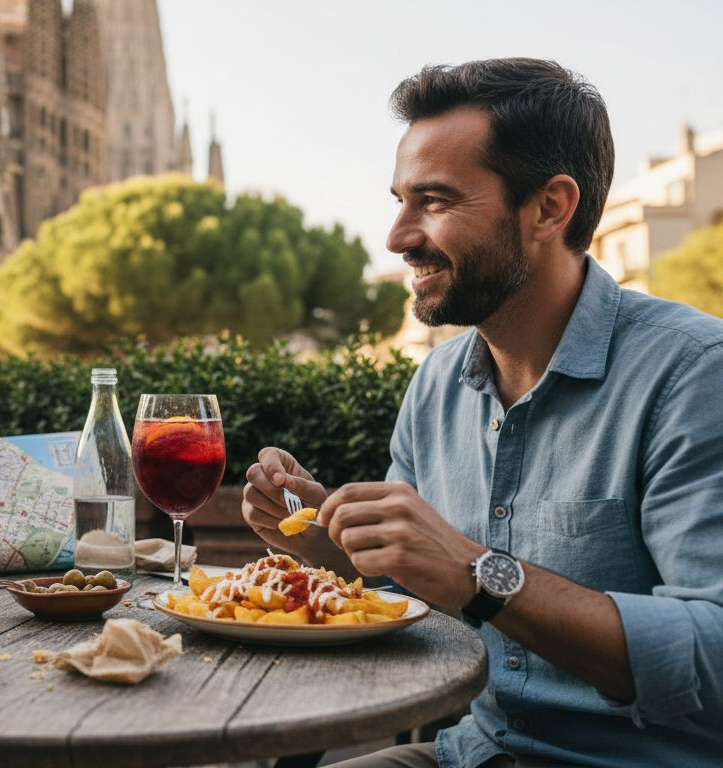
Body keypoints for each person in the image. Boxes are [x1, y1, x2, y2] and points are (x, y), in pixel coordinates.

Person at [242, 59, 723, 767]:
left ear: (550, 208)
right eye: (401, 200)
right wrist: (327, 541)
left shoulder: (692, 373)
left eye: (433, 201)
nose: (398, 236)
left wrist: (479, 569)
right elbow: (414, 597)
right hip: (472, 752)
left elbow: (711, 656)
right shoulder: (436, 383)